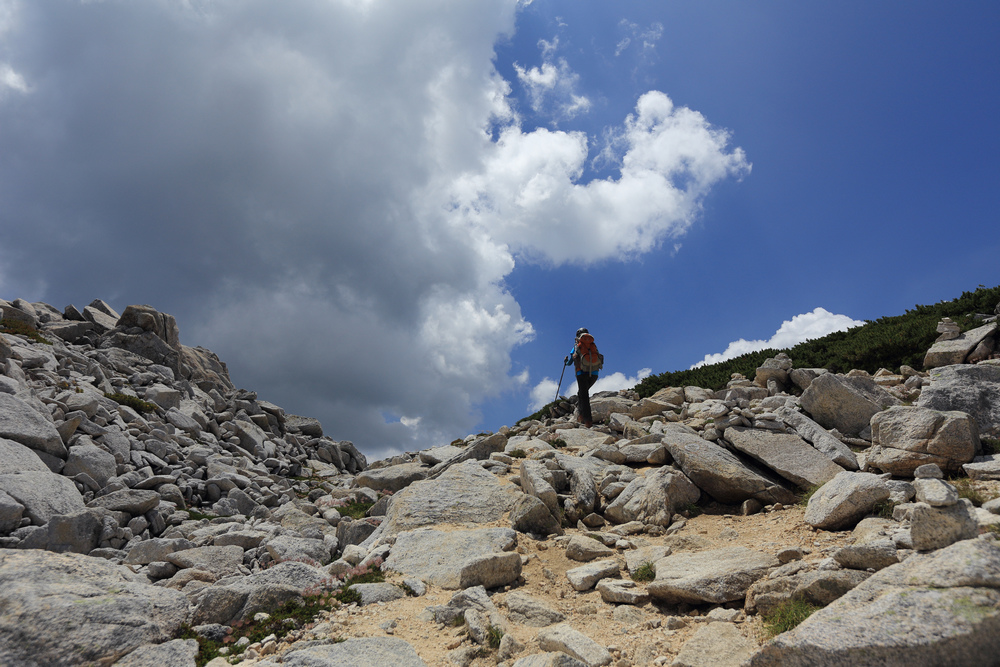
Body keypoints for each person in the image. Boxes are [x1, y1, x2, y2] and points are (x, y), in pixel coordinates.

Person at [564, 327, 599, 427]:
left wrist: (565, 362)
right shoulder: (593, 345)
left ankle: (587, 421)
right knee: (581, 394)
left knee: (584, 396)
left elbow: (570, 362)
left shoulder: (576, 346)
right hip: (594, 374)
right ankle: (581, 416)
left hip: (581, 373)